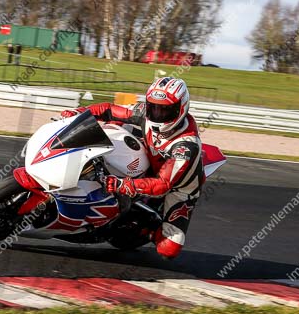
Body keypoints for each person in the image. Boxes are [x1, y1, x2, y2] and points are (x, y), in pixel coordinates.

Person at [60, 77, 203, 259]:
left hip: (178, 188)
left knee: (168, 249)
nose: (157, 114)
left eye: (165, 110)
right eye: (154, 107)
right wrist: (80, 112)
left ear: (181, 109)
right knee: (118, 125)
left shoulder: (186, 146)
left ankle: (149, 228)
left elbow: (163, 184)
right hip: (151, 158)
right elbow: (110, 110)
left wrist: (122, 185)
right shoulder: (146, 113)